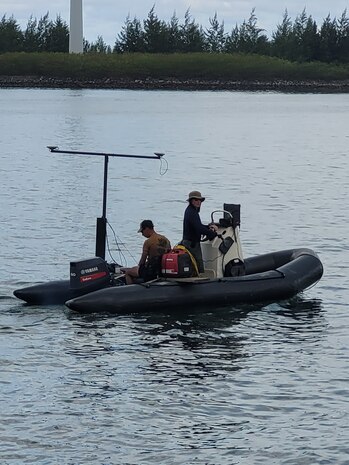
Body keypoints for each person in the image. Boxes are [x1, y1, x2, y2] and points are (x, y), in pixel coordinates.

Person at [121, 220, 171, 284]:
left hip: (150, 271)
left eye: (142, 231)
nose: (142, 234)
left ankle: (131, 291)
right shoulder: (166, 240)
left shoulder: (148, 242)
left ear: (147, 228)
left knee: (128, 272)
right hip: (162, 270)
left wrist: (138, 268)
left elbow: (142, 261)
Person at [181, 190, 218, 274]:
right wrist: (213, 233)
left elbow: (197, 226)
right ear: (191, 201)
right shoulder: (192, 212)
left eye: (200, 200)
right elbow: (199, 228)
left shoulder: (191, 211)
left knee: (194, 264)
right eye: (196, 200)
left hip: (189, 242)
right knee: (198, 265)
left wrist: (208, 227)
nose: (198, 202)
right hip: (192, 244)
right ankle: (200, 281)